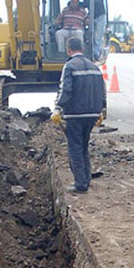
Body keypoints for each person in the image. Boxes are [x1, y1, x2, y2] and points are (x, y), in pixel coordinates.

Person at [54, 35, 106, 193]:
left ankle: (81, 184)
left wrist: (58, 108)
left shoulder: (69, 66)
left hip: (75, 114)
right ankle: (86, 179)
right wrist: (102, 109)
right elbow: (101, 90)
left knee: (75, 148)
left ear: (68, 50)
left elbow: (66, 89)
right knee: (83, 146)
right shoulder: (94, 66)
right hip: (92, 114)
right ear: (82, 49)